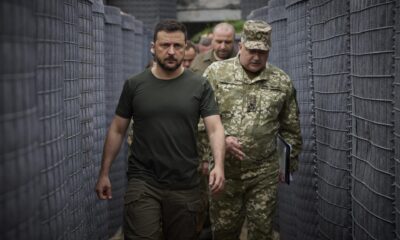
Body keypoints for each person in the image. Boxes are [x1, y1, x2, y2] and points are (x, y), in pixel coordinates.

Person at [95, 19, 226, 240]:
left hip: (185, 183)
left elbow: (215, 128)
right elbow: (118, 129)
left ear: (186, 48)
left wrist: (219, 166)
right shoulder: (135, 85)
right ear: (153, 47)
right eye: (165, 45)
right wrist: (104, 173)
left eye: (178, 46)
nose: (172, 51)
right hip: (143, 181)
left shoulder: (199, 85)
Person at [203, 20, 302, 240]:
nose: (256, 57)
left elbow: (291, 127)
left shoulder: (281, 81)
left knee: (262, 230)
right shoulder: (216, 74)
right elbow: (198, 119)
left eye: (262, 52)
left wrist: (286, 164)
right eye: (252, 51)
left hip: (263, 172)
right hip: (225, 172)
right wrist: (219, 144)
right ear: (241, 46)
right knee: (224, 231)